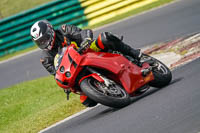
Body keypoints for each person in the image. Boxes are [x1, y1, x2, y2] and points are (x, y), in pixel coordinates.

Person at [30, 20, 142, 107]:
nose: (44, 43)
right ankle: (107, 88)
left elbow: (83, 32)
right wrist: (65, 85)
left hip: (87, 52)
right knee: (87, 101)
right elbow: (56, 74)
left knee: (105, 38)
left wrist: (86, 39)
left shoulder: (64, 30)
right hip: (74, 71)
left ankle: (135, 54)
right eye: (40, 42)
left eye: (44, 39)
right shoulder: (45, 58)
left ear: (50, 31)